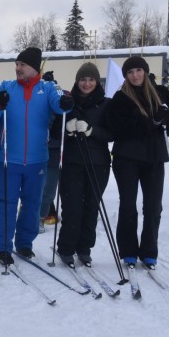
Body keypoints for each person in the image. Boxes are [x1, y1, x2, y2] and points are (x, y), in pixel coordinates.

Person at [0, 47, 72, 265]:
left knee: (32, 203)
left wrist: (65, 103)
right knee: (5, 202)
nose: (18, 68)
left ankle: (25, 243)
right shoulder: (6, 87)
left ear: (34, 67)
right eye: (17, 64)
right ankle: (2, 246)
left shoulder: (48, 88)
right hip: (9, 158)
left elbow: (60, 105)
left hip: (37, 159)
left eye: (22, 65)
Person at [104, 56, 169, 269]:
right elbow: (120, 129)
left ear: (145, 71)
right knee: (128, 205)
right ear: (125, 75)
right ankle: (128, 250)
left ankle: (149, 251)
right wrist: (151, 122)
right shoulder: (120, 98)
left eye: (138, 70)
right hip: (127, 158)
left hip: (154, 157)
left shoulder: (161, 93)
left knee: (153, 206)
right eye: (130, 72)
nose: (135, 75)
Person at [56, 63, 113, 267]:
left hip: (98, 163)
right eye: (82, 79)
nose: (86, 83)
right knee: (72, 207)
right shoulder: (67, 103)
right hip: (73, 162)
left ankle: (84, 248)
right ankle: (66, 248)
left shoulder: (107, 104)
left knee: (91, 207)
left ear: (97, 81)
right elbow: (56, 131)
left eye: (90, 79)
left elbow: (112, 133)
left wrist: (91, 130)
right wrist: (67, 131)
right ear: (77, 81)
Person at [38, 71, 62, 232]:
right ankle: (31, 215)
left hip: (53, 153)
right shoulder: (39, 102)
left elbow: (61, 130)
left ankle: (41, 217)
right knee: (35, 188)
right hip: (37, 153)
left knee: (48, 190)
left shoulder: (59, 104)